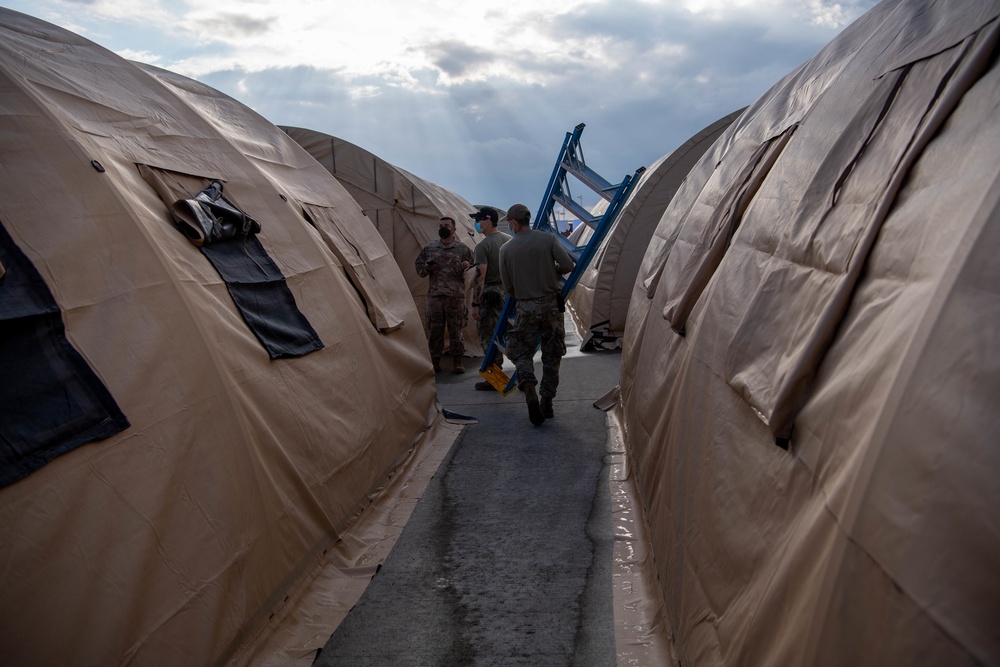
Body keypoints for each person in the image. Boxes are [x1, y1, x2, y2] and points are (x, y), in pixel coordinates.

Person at [499, 204, 576, 425]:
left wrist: (524, 295)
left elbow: (508, 286)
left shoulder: (506, 249)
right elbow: (567, 265)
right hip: (551, 305)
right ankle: (547, 401)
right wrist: (552, 272)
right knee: (552, 354)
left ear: (513, 223)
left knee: (522, 352)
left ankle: (529, 386)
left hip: (525, 307)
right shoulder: (548, 239)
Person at [415, 217, 473, 374]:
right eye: (440, 226)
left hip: (455, 297)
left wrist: (467, 266)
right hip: (435, 297)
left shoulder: (463, 249)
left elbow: (474, 266)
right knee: (435, 330)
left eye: (446, 226)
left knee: (456, 330)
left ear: (453, 229)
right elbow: (419, 268)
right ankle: (435, 362)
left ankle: (458, 361)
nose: (443, 228)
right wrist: (427, 268)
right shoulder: (430, 248)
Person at [469, 206, 511, 390]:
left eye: (478, 220)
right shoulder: (509, 241)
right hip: (508, 295)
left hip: (490, 296)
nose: (477, 223)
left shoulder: (482, 246)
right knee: (507, 335)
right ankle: (525, 376)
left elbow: (481, 276)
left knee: (488, 336)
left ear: (487, 220)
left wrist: (475, 303)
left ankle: (494, 380)